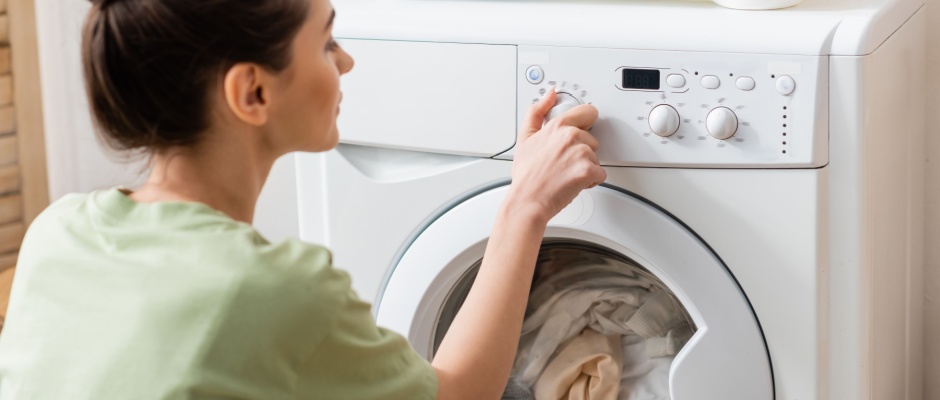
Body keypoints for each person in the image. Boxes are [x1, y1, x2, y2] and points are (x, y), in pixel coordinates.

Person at [0, 0, 605, 398]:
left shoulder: (57, 232)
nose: (346, 60)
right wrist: (524, 206)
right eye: (324, 43)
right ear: (253, 91)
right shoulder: (271, 288)